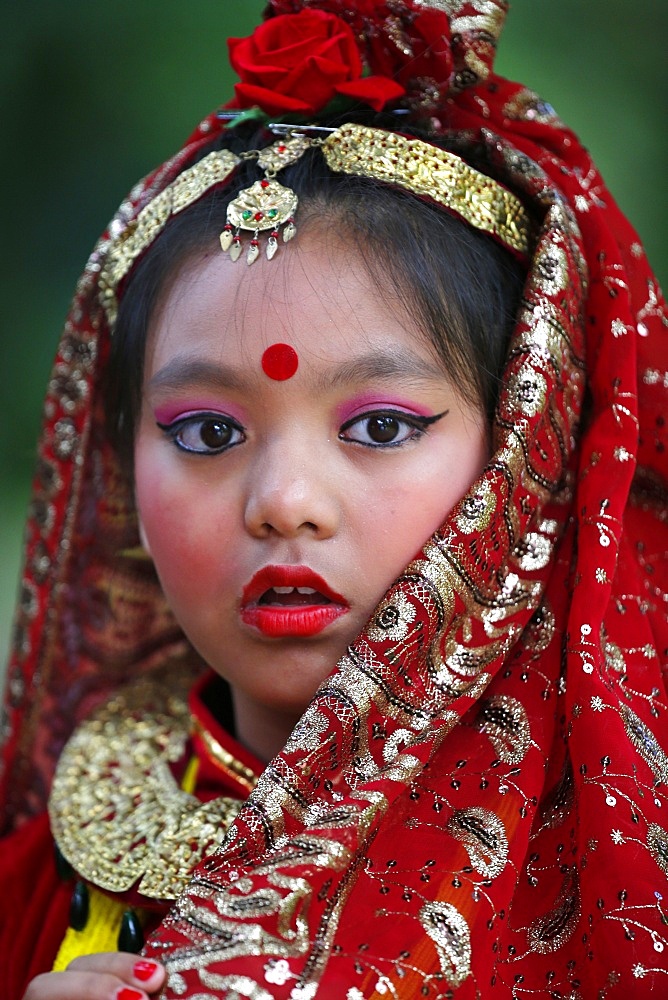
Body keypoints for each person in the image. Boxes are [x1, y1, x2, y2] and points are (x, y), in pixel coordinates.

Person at [1, 1, 666, 997]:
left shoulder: (624, 874)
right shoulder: (34, 882)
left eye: (381, 427)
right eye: (208, 433)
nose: (285, 502)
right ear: (118, 472)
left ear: (524, 464)